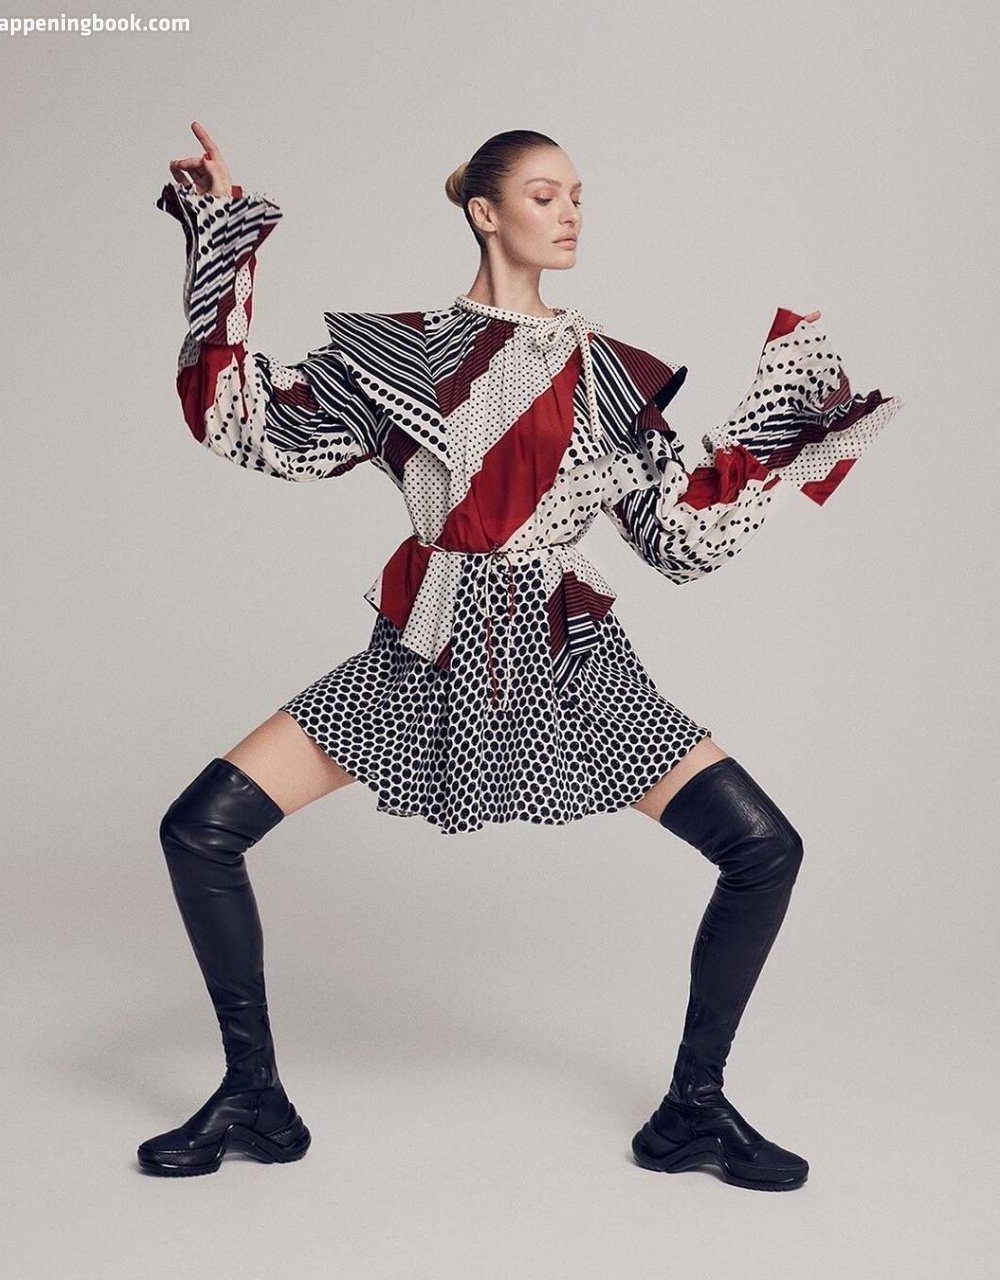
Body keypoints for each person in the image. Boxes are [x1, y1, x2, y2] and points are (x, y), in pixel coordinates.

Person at [137, 122, 902, 1188]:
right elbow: (242, 424)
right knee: (199, 829)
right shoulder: (398, 355)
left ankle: (692, 1110)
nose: (572, 212)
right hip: (420, 657)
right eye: (546, 195)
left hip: (569, 659)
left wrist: (776, 441)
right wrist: (220, 234)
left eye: (579, 194)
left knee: (764, 847)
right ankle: (252, 1097)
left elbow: (676, 543)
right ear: (485, 212)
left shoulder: (613, 374)